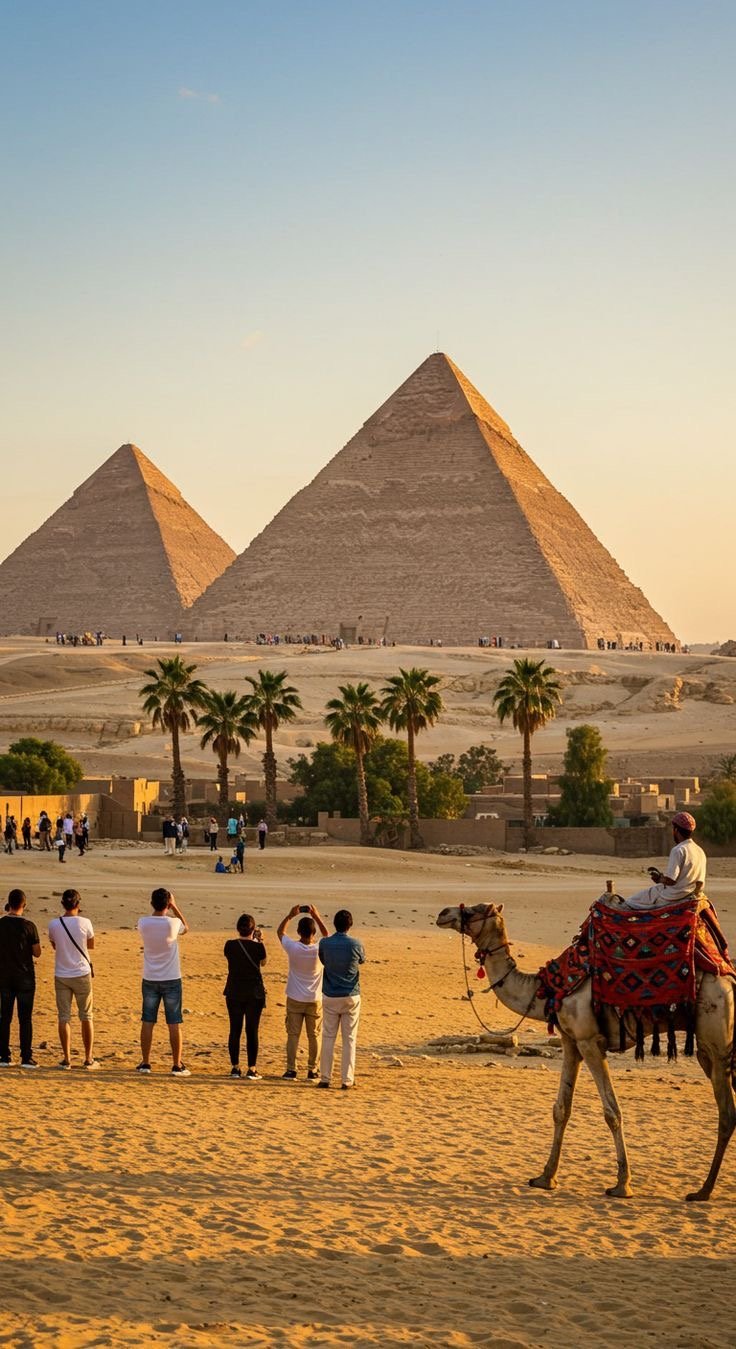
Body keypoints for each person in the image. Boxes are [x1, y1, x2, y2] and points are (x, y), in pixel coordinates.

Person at [136, 888, 190, 1075]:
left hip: (150, 977)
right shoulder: (172, 923)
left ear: (152, 903)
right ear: (167, 904)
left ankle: (145, 1062)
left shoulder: (143, 922)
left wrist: (167, 905)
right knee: (174, 1022)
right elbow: (186, 928)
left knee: (148, 1020)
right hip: (171, 978)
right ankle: (176, 1064)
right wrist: (175, 906)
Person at [48, 889, 99, 1070]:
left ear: (63, 904)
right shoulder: (85, 922)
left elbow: (55, 945)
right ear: (78, 904)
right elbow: (90, 945)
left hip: (62, 974)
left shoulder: (54, 924)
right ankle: (88, 1058)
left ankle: (67, 1058)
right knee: (86, 1016)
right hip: (81, 973)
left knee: (64, 1017)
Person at [277, 903, 328, 1081]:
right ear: (313, 933)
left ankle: (291, 1069)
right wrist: (317, 916)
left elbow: (280, 933)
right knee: (314, 1035)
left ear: (299, 932)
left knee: (293, 1035)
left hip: (295, 997)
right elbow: (327, 935)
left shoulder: (294, 948)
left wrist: (290, 916)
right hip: (314, 998)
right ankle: (312, 1069)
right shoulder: (319, 948)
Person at [317, 910, 365, 1090]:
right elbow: (362, 960)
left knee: (328, 1037)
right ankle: (347, 1079)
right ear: (349, 925)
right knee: (349, 1039)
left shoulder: (325, 943)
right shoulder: (356, 944)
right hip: (351, 994)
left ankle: (325, 1077)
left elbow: (322, 960)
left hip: (330, 994)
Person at [623, 812, 707, 909]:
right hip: (691, 893)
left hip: (674, 896)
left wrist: (659, 879)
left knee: (632, 901)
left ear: (676, 830)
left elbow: (671, 880)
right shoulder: (700, 851)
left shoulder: (678, 850)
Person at [0, 889, 41, 1068]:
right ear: (24, 905)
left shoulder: (0, 924)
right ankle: (26, 1056)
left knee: (5, 1017)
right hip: (25, 978)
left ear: (9, 904)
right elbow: (37, 952)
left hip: (3, 977)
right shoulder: (29, 926)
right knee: (25, 1019)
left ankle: (4, 1056)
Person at [223, 913, 267, 1079]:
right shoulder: (258, 947)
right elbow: (263, 962)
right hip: (254, 993)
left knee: (235, 1029)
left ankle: (235, 1067)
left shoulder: (230, 945)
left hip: (234, 991)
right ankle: (252, 1067)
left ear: (238, 929)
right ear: (253, 929)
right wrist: (259, 940)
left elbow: (230, 957)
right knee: (252, 1030)